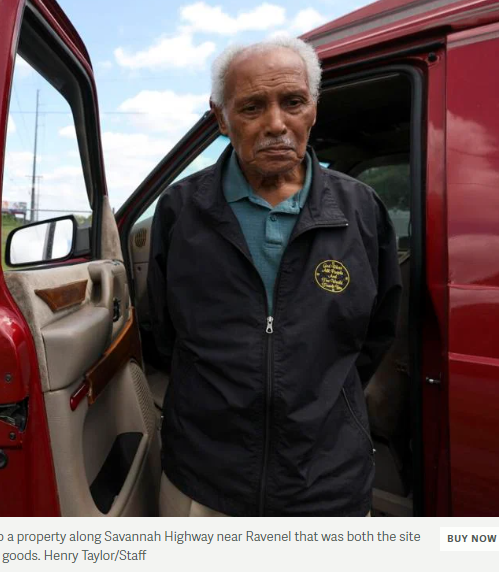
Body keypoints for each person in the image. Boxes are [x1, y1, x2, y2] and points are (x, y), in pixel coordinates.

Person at [147, 36, 401, 517]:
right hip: (205, 480)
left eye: (293, 102)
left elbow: (374, 334)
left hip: (327, 483)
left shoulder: (362, 210)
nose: (276, 125)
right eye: (251, 107)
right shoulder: (182, 209)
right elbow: (165, 332)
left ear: (314, 109)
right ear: (220, 118)